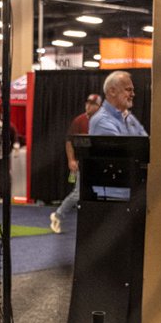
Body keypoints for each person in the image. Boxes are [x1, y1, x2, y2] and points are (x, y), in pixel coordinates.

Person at [50, 93, 102, 233]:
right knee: (78, 193)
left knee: (95, 193)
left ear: (99, 107)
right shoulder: (79, 121)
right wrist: (71, 159)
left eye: (92, 104)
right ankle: (58, 215)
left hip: (98, 163)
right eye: (87, 103)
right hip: (83, 162)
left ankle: (93, 223)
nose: (88, 106)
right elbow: (69, 141)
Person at [89, 71, 148, 137]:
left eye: (132, 90)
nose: (133, 94)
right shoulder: (101, 121)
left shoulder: (129, 117)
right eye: (128, 89)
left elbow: (148, 142)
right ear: (112, 91)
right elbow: (121, 144)